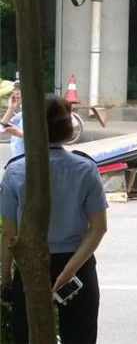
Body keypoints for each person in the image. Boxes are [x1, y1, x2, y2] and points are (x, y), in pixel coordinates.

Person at [0, 94, 108, 343]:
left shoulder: (16, 170)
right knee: (79, 337)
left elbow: (9, 234)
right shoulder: (85, 168)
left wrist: (6, 281)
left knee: (28, 337)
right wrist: (69, 272)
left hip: (30, 267)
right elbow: (99, 228)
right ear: (68, 128)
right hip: (78, 265)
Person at [1, 80, 25, 158]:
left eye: (20, 89)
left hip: (31, 162)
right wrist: (11, 109)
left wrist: (17, 133)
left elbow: (41, 138)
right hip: (18, 161)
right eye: (14, 89)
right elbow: (1, 128)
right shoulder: (20, 115)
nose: (16, 92)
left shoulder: (38, 113)